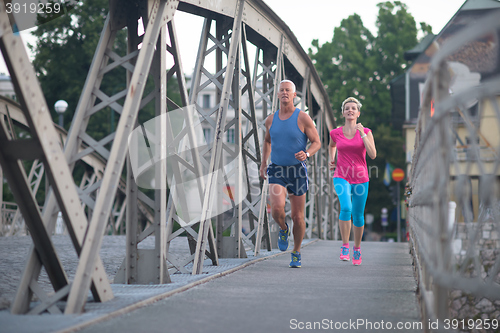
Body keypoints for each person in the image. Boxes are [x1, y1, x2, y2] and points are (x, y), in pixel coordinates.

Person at [259, 80, 321, 268]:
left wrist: (307, 153)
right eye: (282, 90)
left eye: (288, 90)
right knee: (277, 209)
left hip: (297, 170)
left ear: (294, 95)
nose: (285, 93)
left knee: (298, 216)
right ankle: (283, 229)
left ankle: (296, 251)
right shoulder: (271, 119)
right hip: (277, 168)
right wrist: (263, 162)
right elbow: (268, 141)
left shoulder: (303, 118)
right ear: (277, 94)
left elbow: (317, 142)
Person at [329, 97, 376, 266]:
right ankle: (345, 246)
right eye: (347, 108)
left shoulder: (367, 132)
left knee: (357, 215)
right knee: (346, 208)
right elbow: (332, 145)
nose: (350, 110)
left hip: (361, 178)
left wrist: (362, 133)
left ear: (358, 113)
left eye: (353, 108)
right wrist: (331, 159)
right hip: (341, 175)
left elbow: (372, 154)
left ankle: (357, 248)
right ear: (343, 112)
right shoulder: (335, 132)